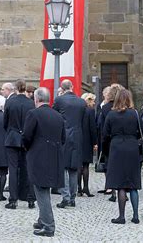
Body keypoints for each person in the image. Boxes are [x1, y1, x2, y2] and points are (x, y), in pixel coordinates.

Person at [22, 87, 65, 237]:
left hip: (38, 156)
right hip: (54, 156)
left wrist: (28, 149)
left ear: (36, 99)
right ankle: (42, 219)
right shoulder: (57, 115)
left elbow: (26, 136)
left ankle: (48, 226)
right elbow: (63, 138)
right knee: (43, 189)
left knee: (41, 190)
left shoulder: (33, 114)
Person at [103, 89, 141, 224]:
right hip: (132, 147)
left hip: (117, 148)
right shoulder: (135, 114)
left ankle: (122, 216)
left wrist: (106, 151)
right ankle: (136, 216)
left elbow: (105, 134)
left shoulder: (111, 115)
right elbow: (139, 131)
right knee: (133, 184)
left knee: (120, 185)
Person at [53, 79, 87, 208]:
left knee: (63, 168)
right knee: (73, 168)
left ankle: (66, 197)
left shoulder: (59, 100)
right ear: (72, 87)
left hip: (63, 136)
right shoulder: (81, 102)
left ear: (62, 88)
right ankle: (72, 197)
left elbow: (54, 116)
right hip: (77, 136)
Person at [3, 79, 35, 209]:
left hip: (12, 137)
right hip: (26, 138)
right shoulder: (30, 103)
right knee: (28, 168)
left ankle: (13, 199)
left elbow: (5, 122)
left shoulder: (10, 102)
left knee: (13, 169)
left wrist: (11, 131)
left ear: (16, 88)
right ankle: (30, 198)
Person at [78, 93, 98, 197]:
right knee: (85, 165)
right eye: (93, 100)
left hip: (78, 139)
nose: (94, 103)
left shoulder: (78, 110)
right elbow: (92, 128)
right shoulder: (90, 111)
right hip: (87, 140)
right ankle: (85, 187)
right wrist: (95, 142)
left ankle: (78, 188)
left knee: (78, 165)